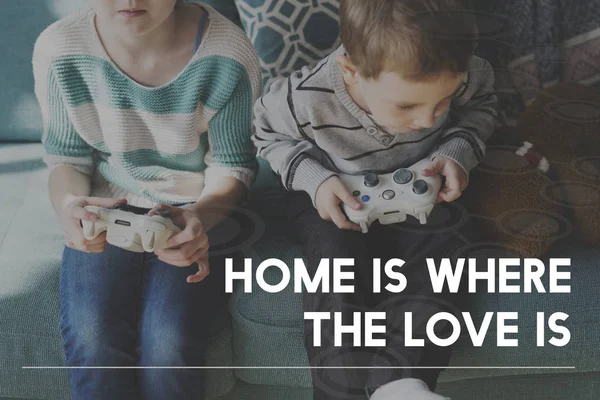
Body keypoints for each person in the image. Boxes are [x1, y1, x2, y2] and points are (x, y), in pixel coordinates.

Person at [253, 0, 498, 399]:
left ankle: (400, 384)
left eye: (442, 102)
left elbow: (485, 106)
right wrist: (315, 179)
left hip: (422, 185)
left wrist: (457, 149)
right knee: (335, 263)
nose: (426, 120)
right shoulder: (305, 96)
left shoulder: (463, 71)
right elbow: (265, 134)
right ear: (352, 71)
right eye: (407, 105)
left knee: (449, 249)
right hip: (335, 192)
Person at [32, 1, 261, 399]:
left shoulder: (228, 54)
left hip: (197, 208)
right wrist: (70, 205)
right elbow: (66, 158)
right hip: (107, 206)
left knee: (168, 342)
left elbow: (233, 166)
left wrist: (200, 219)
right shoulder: (59, 49)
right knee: (92, 336)